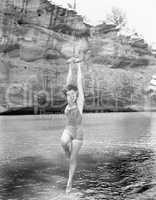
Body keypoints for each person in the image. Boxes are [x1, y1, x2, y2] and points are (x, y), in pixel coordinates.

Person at [61, 57, 84, 193]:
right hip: (68, 130)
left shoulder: (79, 104)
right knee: (63, 142)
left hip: (78, 133)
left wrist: (79, 65)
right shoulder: (67, 103)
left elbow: (78, 83)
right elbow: (68, 83)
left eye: (75, 94)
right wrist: (70, 65)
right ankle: (66, 152)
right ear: (67, 95)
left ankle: (69, 182)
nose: (73, 96)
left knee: (73, 159)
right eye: (70, 94)